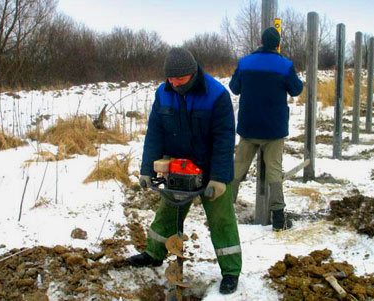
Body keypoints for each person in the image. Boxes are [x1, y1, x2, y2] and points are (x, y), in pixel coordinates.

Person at [126, 47, 242, 295]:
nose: (175, 83)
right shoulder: (163, 93)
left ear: (193, 73)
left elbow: (223, 139)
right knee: (168, 213)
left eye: (180, 78)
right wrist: (148, 168)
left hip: (210, 169)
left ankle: (231, 271)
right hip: (178, 168)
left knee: (222, 220)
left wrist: (219, 178)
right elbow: (155, 132)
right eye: (171, 78)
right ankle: (153, 253)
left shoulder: (216, 95)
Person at [229, 27, 303, 231]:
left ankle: (225, 211)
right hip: (274, 129)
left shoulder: (244, 63)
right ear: (277, 44)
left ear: (261, 41)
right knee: (274, 171)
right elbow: (296, 89)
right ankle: (278, 217)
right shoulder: (285, 65)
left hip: (249, 126)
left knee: (238, 168)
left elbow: (234, 88)